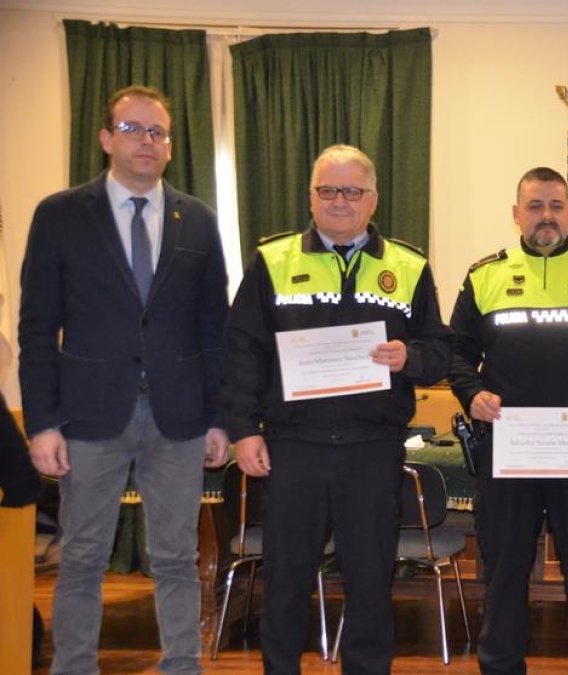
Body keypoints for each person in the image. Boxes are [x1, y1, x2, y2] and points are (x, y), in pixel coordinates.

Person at [18, 84, 229, 674]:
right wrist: (42, 423)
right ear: (107, 138)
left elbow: (215, 326)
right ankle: (75, 666)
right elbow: (37, 327)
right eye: (133, 129)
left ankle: (181, 665)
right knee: (83, 556)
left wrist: (219, 416)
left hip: (181, 416)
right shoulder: (60, 215)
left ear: (170, 147)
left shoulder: (199, 220)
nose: (147, 141)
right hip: (88, 414)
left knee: (177, 557)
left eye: (157, 132)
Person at [221, 144, 451, 674]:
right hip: (292, 447)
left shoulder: (408, 266)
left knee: (371, 581)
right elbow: (241, 351)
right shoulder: (273, 261)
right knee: (284, 580)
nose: (339, 201)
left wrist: (409, 357)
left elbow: (440, 349)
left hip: (372, 449)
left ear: (373, 200)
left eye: (352, 191)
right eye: (328, 190)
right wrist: (242, 429)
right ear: (311, 196)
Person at [448, 166, 568, 674]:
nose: (546, 216)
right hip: (505, 448)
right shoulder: (484, 275)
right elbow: (456, 354)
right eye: (535, 206)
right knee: (505, 569)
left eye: (556, 206)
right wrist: (472, 394)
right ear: (517, 214)